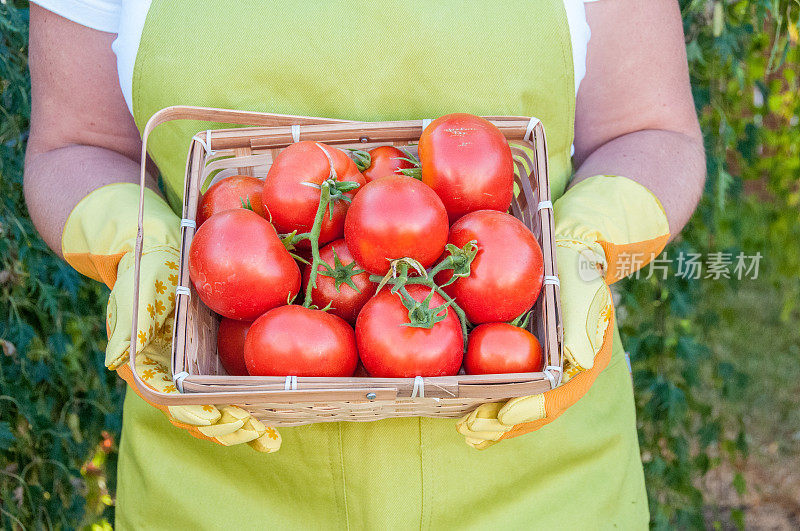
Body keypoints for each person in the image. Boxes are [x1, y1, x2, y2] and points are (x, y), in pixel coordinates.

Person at [24, 0, 705, 528]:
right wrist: (139, 249)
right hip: (216, 486)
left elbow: (651, 131)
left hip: (544, 481)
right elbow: (74, 143)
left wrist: (584, 248)